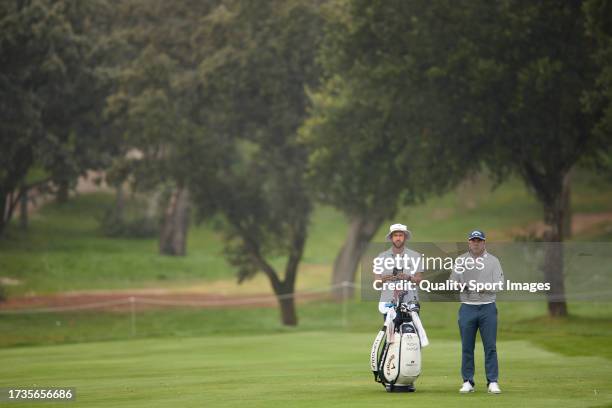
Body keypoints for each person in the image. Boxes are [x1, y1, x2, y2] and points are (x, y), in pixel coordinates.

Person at [450, 230, 504, 394]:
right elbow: (452, 282)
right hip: (467, 307)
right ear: (469, 243)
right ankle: (468, 381)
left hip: (487, 307)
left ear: (484, 242)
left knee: (490, 347)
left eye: (479, 240)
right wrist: (459, 285)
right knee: (467, 347)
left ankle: (492, 381)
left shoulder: (493, 261)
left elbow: (500, 284)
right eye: (473, 240)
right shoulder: (460, 260)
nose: (476, 243)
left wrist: (485, 287)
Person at [375, 223, 424, 321]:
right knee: (391, 335)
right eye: (395, 235)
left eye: (401, 235)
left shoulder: (415, 256)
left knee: (410, 334)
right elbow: (377, 283)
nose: (398, 238)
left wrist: (408, 278)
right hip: (389, 302)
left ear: (405, 237)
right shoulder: (381, 257)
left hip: (410, 302)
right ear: (391, 238)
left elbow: (420, 281)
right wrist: (384, 279)